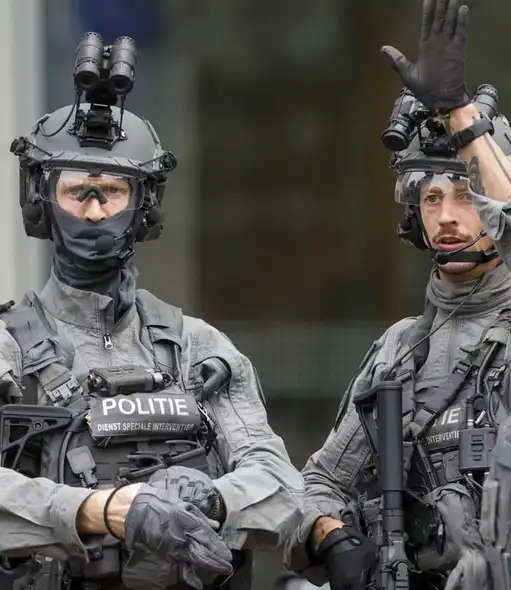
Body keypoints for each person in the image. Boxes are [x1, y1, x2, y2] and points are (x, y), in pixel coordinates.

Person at [0, 33, 305, 590]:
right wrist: (101, 511)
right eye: (77, 192)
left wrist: (213, 499)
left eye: (113, 192)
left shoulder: (197, 346)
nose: (94, 211)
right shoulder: (7, 349)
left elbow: (283, 489)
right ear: (41, 200)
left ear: (145, 206)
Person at [282, 2, 511, 589]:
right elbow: (320, 484)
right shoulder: (400, 349)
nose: (450, 217)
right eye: (433, 200)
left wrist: (460, 116)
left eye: (467, 196)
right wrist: (333, 537)